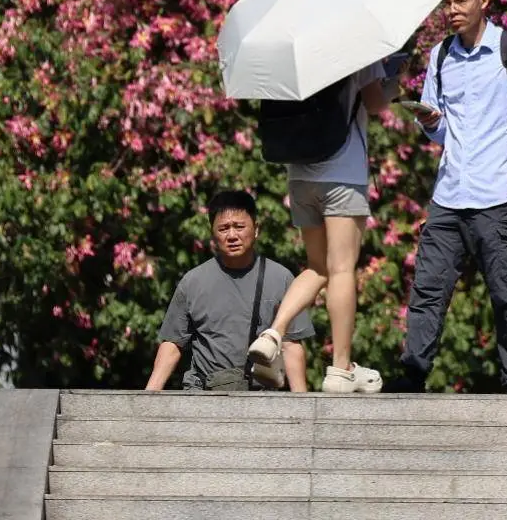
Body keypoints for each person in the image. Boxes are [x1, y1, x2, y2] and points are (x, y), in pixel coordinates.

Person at [391, 0, 507, 394]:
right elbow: (442, 130)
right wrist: (429, 121)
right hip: (449, 195)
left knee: (505, 295)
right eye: (446, 3)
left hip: (497, 194)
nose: (452, 10)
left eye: (460, 0)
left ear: (484, 1)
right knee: (427, 289)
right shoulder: (440, 56)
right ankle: (412, 375)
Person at [247, 64, 387, 394]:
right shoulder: (355, 45)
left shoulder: (296, 48)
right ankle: (340, 368)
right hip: (342, 172)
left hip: (300, 174)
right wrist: (393, 81)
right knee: (341, 269)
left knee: (317, 267)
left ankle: (273, 334)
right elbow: (377, 101)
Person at [145, 189, 313, 392]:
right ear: (212, 233)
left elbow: (291, 345)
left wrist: (302, 404)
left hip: (259, 399)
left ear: (256, 229)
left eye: (240, 227)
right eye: (223, 228)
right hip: (203, 395)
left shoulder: (282, 279)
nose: (232, 235)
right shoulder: (193, 281)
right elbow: (173, 343)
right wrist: (149, 397)